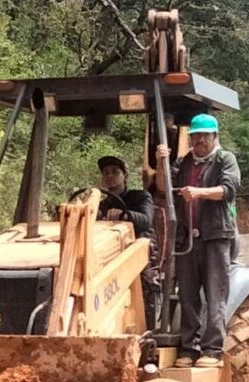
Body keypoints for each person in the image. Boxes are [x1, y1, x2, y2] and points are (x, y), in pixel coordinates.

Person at [173, 113, 240, 368]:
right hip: (188, 238)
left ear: (214, 136)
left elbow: (228, 190)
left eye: (204, 135)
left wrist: (199, 192)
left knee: (215, 294)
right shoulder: (184, 163)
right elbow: (164, 187)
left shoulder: (225, 159)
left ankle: (212, 350)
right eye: (195, 136)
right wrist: (160, 160)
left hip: (215, 237)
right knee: (187, 295)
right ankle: (189, 349)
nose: (199, 140)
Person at [95, 155, 159, 330]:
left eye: (115, 172)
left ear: (125, 176)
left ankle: (146, 328)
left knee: (143, 279)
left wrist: (124, 215)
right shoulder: (100, 205)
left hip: (139, 252)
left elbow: (145, 219)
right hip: (110, 256)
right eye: (106, 173)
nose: (110, 176)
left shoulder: (140, 197)